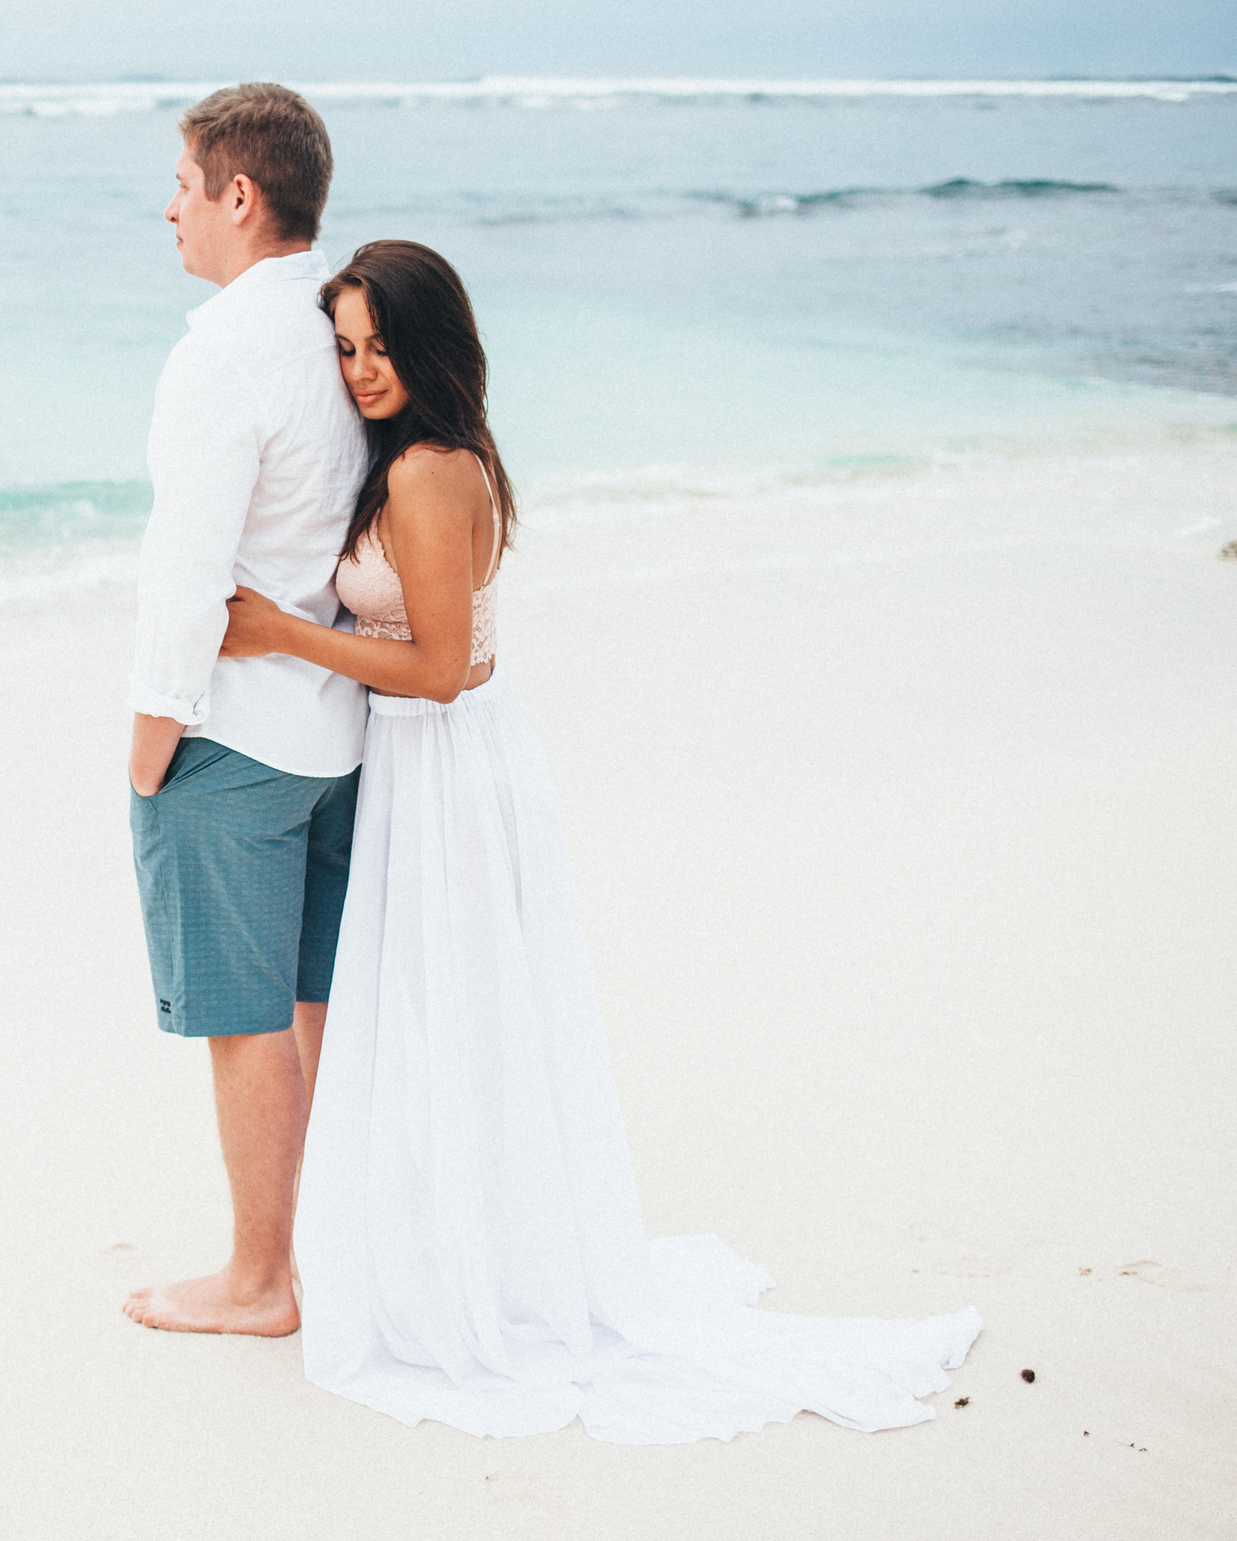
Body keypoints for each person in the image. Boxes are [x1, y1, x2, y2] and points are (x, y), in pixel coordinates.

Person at [219, 240, 985, 1442]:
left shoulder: (427, 472)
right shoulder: (435, 457)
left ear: (430, 347)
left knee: (450, 1023)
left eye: (380, 348)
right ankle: (449, 1252)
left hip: (446, 766)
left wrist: (275, 634)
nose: (361, 372)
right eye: (347, 350)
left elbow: (440, 668)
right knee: (441, 1022)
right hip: (434, 765)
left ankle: (467, 1278)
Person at [122, 85, 367, 1336]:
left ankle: (260, 1281)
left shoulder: (221, 349)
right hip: (338, 730)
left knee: (242, 1022)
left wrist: (152, 733)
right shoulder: (344, 328)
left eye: (180, 181)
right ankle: (305, 1252)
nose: (166, 205)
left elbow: (189, 564)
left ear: (238, 194)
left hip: (234, 733)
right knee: (311, 1006)